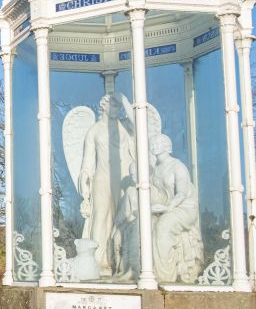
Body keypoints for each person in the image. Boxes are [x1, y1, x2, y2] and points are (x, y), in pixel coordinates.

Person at [78, 92, 135, 276]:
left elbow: (139, 124)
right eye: (114, 104)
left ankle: (121, 262)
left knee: (125, 218)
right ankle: (97, 262)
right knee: (101, 217)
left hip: (124, 179)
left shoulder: (126, 127)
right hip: (102, 177)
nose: (117, 109)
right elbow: (87, 162)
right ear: (103, 106)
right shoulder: (94, 130)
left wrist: (126, 100)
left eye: (119, 106)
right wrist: (85, 179)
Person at [149, 134, 203, 283]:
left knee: (163, 226)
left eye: (158, 143)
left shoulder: (177, 166)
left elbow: (182, 193)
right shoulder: (155, 169)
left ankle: (166, 277)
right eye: (152, 142)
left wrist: (167, 209)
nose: (154, 145)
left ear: (167, 146)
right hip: (167, 207)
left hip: (184, 207)